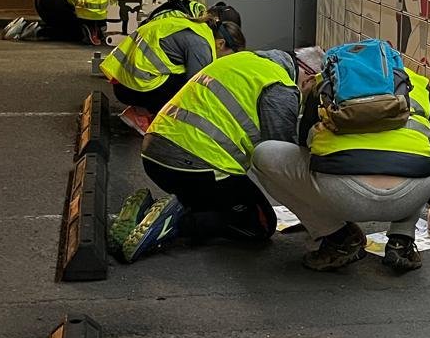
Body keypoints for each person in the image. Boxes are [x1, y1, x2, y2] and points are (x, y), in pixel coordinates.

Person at [248, 39, 430, 273]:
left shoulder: (326, 82)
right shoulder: (415, 84)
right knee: (417, 154)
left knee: (263, 154)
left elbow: (304, 145)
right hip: (411, 194)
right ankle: (402, 241)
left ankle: (338, 238)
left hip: (341, 194)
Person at [115, 45, 301, 264]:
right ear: (305, 75)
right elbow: (281, 155)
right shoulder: (280, 86)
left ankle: (144, 213)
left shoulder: (243, 61)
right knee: (261, 224)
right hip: (197, 165)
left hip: (153, 154)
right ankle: (177, 223)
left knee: (212, 203)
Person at [101, 0, 244, 133]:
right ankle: (144, 117)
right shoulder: (200, 44)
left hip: (124, 81)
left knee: (183, 75)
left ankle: (138, 112)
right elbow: (197, 92)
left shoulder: (192, 25)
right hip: (131, 87)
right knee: (192, 87)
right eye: (227, 57)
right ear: (221, 43)